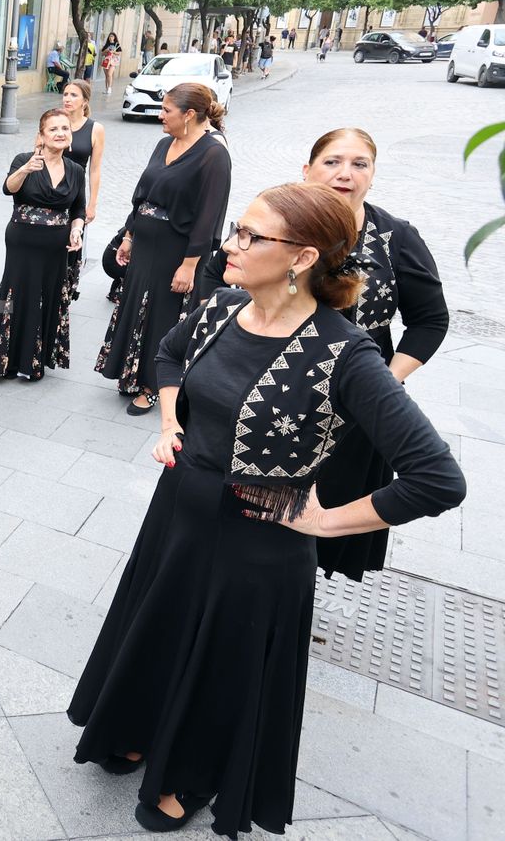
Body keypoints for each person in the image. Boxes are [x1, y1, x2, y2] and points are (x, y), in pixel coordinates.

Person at [68, 182, 465, 837]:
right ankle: (137, 727)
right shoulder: (223, 306)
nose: (231, 244)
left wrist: (328, 522)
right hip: (178, 514)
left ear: (302, 257)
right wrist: (170, 421)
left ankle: (190, 774)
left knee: (222, 661)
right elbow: (169, 355)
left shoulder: (345, 353)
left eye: (251, 236)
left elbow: (437, 478)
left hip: (258, 546)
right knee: (162, 627)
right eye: (237, 229)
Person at [195, 128, 450, 583]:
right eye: (332, 161)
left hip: (356, 390)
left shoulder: (396, 236)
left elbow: (430, 320)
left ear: (373, 175)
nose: (345, 174)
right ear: (307, 169)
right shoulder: (275, 222)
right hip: (275, 386)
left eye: (359, 164)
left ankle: (299, 582)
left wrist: (385, 380)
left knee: (328, 497)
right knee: (256, 501)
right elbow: (215, 276)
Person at [96, 83, 231, 416]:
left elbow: (208, 215)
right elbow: (142, 195)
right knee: (135, 308)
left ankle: (153, 385)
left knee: (162, 317)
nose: (160, 116)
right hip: (144, 246)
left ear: (188, 115)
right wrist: (129, 236)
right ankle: (130, 374)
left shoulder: (214, 154)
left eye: (166, 110)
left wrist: (189, 265)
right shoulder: (163, 144)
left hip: (177, 252)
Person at [0, 110, 85, 381]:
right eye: (53, 129)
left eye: (64, 128)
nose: (60, 133)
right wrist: (26, 168)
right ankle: (5, 360)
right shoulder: (24, 160)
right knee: (17, 294)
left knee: (47, 297)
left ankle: (36, 360)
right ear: (41, 136)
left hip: (56, 247)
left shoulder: (75, 170)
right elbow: (9, 188)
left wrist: (76, 230)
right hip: (23, 240)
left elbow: (79, 208)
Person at [61, 81, 106, 303]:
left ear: (85, 101)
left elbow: (95, 169)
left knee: (71, 242)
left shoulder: (95, 129)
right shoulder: (54, 121)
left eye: (73, 95)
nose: (67, 98)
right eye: (65, 94)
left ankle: (64, 292)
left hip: (75, 196)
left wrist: (93, 204)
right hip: (49, 191)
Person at [101, 32, 122, 97]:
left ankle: (109, 88)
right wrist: (106, 51)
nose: (111, 37)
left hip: (113, 61)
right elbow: (102, 53)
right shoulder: (107, 44)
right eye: (110, 36)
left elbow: (120, 52)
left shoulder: (117, 44)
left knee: (110, 74)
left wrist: (114, 52)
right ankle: (106, 88)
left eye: (112, 36)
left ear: (114, 37)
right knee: (107, 75)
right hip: (106, 61)